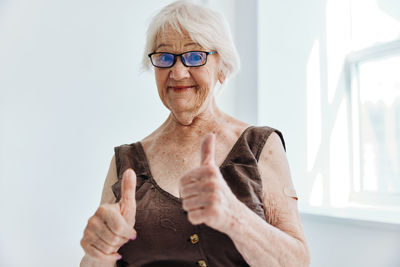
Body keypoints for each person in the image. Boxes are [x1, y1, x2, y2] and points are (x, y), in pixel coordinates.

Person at [80, 1, 310, 266]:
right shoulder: (126, 161)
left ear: (221, 67)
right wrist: (97, 252)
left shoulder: (260, 146)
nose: (177, 72)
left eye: (194, 55)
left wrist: (234, 217)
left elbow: (298, 262)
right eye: (164, 57)